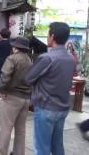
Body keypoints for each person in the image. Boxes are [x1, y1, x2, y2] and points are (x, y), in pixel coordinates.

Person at [25, 22, 74, 155]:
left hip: (46, 107)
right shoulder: (71, 59)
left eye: (48, 34)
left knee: (42, 148)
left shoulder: (47, 58)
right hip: (62, 107)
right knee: (57, 146)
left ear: (52, 36)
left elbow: (28, 78)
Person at [0, 37, 32, 155]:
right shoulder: (29, 60)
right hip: (25, 98)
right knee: (21, 130)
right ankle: (19, 152)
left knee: (5, 129)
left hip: (11, 97)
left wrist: (1, 89)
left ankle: (2, 152)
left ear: (15, 47)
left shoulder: (12, 59)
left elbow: (5, 77)